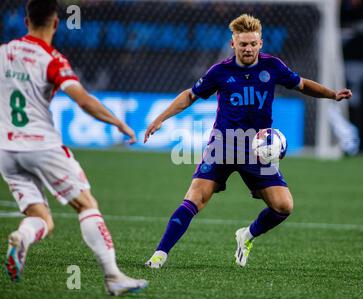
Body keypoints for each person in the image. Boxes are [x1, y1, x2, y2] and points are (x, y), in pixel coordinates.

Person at [144, 14, 352, 268]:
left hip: (258, 150)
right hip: (222, 145)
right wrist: (160, 118)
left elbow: (302, 85)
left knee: (284, 207)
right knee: (194, 198)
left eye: (253, 43)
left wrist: (332, 94)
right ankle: (159, 254)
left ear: (261, 43)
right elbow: (190, 95)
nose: (248, 48)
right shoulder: (220, 72)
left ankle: (247, 235)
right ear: (233, 44)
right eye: (243, 44)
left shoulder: (273, 66)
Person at [0, 0, 147, 296]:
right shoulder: (52, 59)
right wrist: (118, 122)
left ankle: (22, 237)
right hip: (42, 145)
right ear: (56, 24)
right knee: (86, 205)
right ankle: (113, 276)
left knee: (42, 219)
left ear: (26, 21)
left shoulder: (3, 53)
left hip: (5, 150)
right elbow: (82, 100)